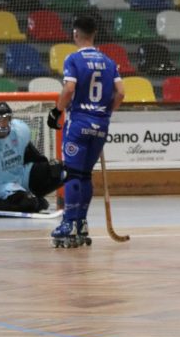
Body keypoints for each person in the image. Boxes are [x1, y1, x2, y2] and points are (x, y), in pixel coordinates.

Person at [46, 16, 125, 248]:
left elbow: (69, 88)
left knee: (72, 174)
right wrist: (106, 112)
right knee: (85, 175)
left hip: (79, 123)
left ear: (75, 34)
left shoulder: (73, 59)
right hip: (101, 124)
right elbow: (121, 92)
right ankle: (81, 223)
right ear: (95, 33)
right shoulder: (109, 61)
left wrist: (56, 111)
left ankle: (69, 223)